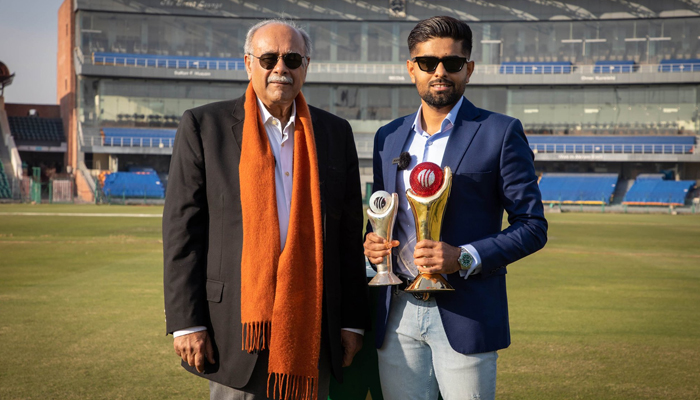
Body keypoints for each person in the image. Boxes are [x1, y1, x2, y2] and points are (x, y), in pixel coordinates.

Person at [163, 19, 368, 400]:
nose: (280, 69)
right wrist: (186, 322)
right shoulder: (203, 126)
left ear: (306, 66)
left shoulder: (335, 132)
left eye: (292, 59)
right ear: (248, 63)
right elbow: (182, 232)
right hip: (235, 330)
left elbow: (346, 236)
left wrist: (353, 321)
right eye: (269, 58)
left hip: (314, 328)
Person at [363, 16, 548, 400]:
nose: (440, 72)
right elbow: (381, 215)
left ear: (470, 69)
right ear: (411, 68)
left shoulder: (500, 131)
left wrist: (462, 257)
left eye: (453, 63)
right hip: (396, 314)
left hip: (467, 314)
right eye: (428, 63)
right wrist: (373, 246)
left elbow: (532, 225)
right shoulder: (388, 137)